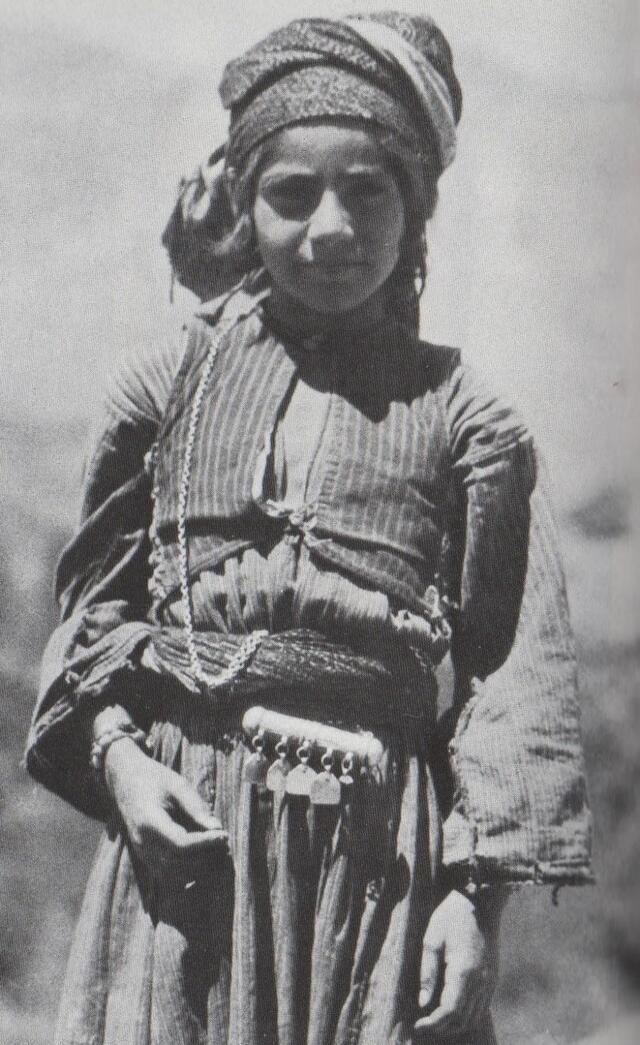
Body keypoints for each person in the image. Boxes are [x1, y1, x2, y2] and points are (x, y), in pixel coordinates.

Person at [27, 12, 593, 1045]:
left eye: (366, 189)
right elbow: (93, 616)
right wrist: (117, 759)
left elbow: (508, 679)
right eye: (291, 194)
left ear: (416, 206)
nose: (330, 226)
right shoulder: (168, 390)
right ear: (243, 205)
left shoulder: (468, 418)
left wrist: (474, 900)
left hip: (379, 868)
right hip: (181, 857)